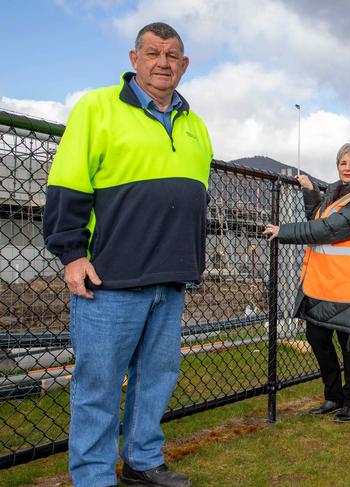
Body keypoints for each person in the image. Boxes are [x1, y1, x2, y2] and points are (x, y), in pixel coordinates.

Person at [43, 22, 212, 487]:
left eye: (172, 55)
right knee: (98, 385)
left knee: (156, 379)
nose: (163, 62)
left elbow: (196, 201)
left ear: (185, 65)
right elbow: (67, 183)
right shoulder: (97, 108)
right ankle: (95, 476)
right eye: (153, 52)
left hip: (171, 278)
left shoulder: (195, 125)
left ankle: (142, 461)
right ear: (134, 59)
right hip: (109, 279)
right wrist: (72, 253)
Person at [263, 142, 350, 422]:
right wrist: (310, 191)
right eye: (343, 162)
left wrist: (285, 231)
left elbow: (332, 228)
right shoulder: (333, 191)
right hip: (324, 282)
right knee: (317, 338)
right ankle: (333, 396)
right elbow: (318, 218)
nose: (347, 167)